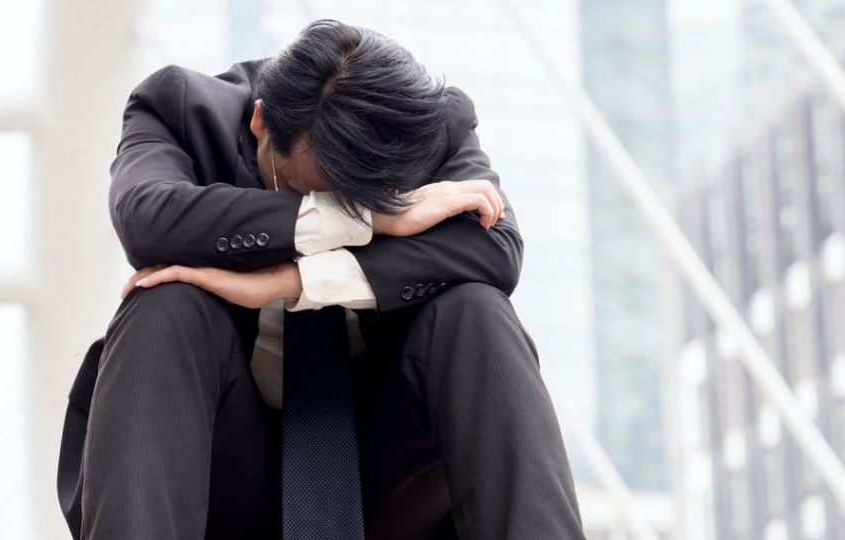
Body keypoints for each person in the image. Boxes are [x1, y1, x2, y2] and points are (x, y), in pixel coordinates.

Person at [57, 19, 586, 540]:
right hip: (215, 474)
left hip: (388, 476)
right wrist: (369, 218)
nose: (340, 205)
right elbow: (147, 220)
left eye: (364, 196)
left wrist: (293, 281)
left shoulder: (427, 130)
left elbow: (496, 249)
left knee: (475, 310)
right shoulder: (180, 109)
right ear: (260, 124)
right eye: (302, 189)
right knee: (164, 303)